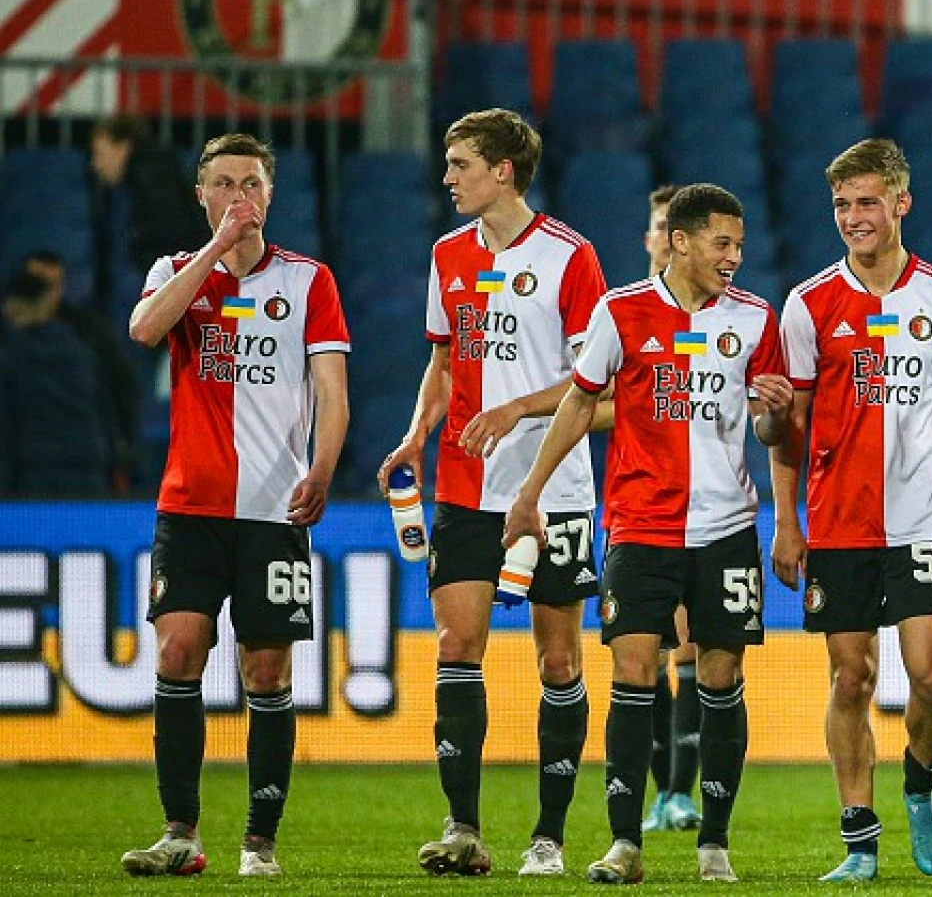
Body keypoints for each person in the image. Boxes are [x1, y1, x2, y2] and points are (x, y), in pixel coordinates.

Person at [503, 183, 791, 884]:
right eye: (722, 242)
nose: (735, 256)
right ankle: (625, 844)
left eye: (740, 243)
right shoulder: (622, 311)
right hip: (640, 525)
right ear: (682, 241)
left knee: (722, 678)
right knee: (632, 672)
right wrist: (531, 492)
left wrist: (778, 414)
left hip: (725, 529)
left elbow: (767, 427)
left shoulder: (755, 318)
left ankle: (713, 844)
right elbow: (580, 401)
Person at [770, 138, 932, 883]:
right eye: (842, 204)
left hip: (921, 523)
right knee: (850, 679)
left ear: (902, 204)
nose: (853, 217)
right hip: (839, 524)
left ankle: (920, 784)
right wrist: (786, 522)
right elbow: (788, 424)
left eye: (867, 202)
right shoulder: (809, 303)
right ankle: (859, 840)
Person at [376, 109, 609, 878]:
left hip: (556, 493)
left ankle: (549, 835)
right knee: (457, 645)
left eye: (461, 164)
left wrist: (515, 409)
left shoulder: (572, 259)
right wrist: (416, 434)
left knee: (558, 659)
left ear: (503, 170)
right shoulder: (448, 256)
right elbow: (442, 363)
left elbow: (601, 393)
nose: (448, 178)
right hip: (467, 490)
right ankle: (465, 829)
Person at [118, 133, 350, 878]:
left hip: (273, 511)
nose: (239, 196)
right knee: (179, 649)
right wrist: (215, 251)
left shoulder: (309, 280)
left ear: (271, 195)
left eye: (251, 183)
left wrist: (322, 466)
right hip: (188, 507)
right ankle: (180, 832)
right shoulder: (177, 273)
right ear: (202, 195)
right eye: (223, 183)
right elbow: (147, 329)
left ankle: (260, 842)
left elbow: (331, 388)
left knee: (268, 670)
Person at [638, 183, 705, 834]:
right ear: (651, 238)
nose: (666, 235)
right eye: (658, 225)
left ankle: (680, 793)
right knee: (645, 656)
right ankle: (662, 792)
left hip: (700, 511)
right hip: (637, 508)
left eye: (673, 225)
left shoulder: (716, 314)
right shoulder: (627, 314)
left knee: (689, 647)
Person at [16, 249, 142, 492]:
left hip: (83, 461)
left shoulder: (90, 334)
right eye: (37, 286)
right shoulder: (9, 343)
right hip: (28, 464)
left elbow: (121, 390)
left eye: (52, 286)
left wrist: (120, 446)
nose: (46, 295)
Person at [91, 113, 212, 310]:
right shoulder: (152, 171)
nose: (96, 164)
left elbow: (171, 235)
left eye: (100, 154)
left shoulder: (152, 179)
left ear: (122, 146)